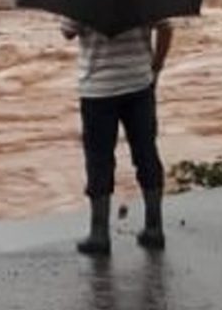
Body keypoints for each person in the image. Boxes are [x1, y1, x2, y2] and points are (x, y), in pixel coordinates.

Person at [61, 18, 173, 256]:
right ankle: (154, 227)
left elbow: (68, 32)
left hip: (97, 90)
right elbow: (166, 28)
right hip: (139, 85)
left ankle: (99, 234)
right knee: (146, 153)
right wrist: (156, 66)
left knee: (99, 160)